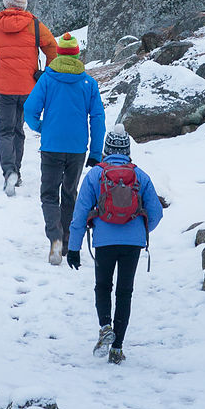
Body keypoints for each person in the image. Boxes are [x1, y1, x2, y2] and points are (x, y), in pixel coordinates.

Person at [65, 126, 163, 365]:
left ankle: (105, 326)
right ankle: (117, 348)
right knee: (124, 292)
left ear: (107, 149)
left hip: (104, 241)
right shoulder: (140, 176)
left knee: (102, 286)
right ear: (127, 149)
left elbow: (79, 216)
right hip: (133, 243)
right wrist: (140, 231)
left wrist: (73, 248)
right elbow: (156, 213)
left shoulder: (95, 175)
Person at [22, 32, 105, 265]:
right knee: (70, 194)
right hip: (78, 149)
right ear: (77, 55)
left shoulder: (47, 80)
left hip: (51, 146)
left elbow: (29, 109)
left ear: (58, 54)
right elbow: (98, 118)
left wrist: (42, 127)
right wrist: (96, 152)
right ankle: (67, 242)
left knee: (49, 194)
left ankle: (55, 239)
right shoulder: (88, 83)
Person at [0, 0, 58, 197]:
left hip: (5, 87)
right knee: (19, 129)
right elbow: (52, 47)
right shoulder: (34, 25)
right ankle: (16, 171)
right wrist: (46, 72)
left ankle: (9, 171)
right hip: (28, 87)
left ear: (6, 3)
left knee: (5, 131)